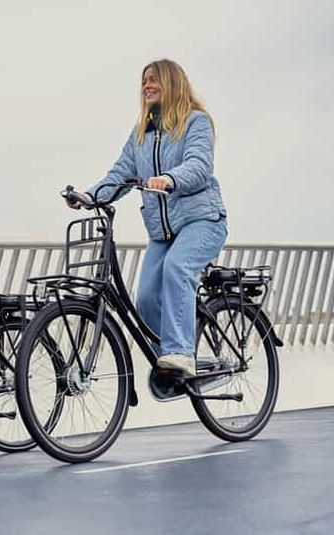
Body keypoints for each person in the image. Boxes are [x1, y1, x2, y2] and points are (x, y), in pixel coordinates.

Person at [73, 59, 228, 377]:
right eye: (144, 80)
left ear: (172, 82)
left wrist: (170, 178)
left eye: (154, 79)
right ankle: (169, 364)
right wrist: (90, 196)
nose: (147, 85)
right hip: (162, 232)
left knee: (177, 268)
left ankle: (181, 352)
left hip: (202, 221)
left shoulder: (196, 122)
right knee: (144, 298)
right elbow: (120, 174)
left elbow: (199, 166)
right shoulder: (141, 134)